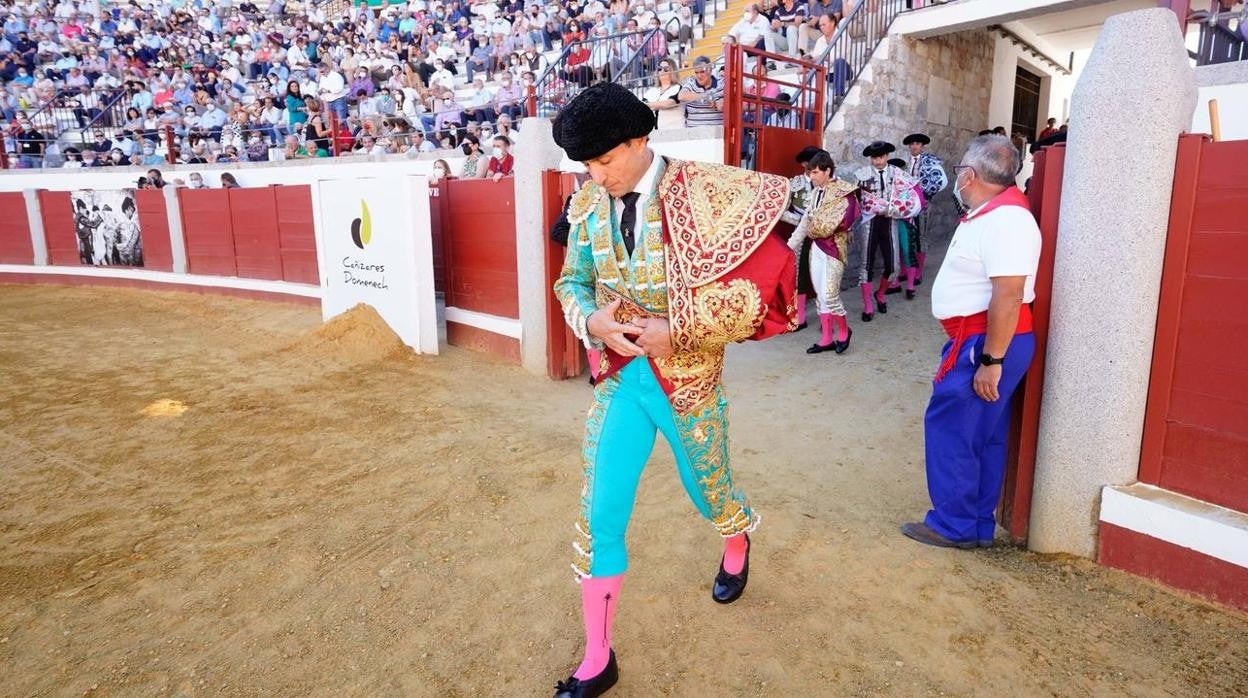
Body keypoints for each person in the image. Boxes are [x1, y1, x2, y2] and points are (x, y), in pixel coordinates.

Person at [549, 82, 797, 698]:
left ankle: (735, 537)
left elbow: (763, 295)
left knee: (709, 490)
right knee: (598, 511)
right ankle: (597, 659)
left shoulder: (709, 190)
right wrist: (592, 321)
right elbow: (570, 283)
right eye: (586, 164)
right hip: (620, 381)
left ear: (640, 140)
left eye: (604, 160)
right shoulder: (586, 207)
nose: (595, 175)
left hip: (688, 383)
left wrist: (679, 328)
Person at [900, 135, 1040, 549]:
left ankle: (954, 524)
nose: (958, 176)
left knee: (954, 431)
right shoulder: (994, 214)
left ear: (970, 175)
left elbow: (1009, 294)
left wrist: (991, 359)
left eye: (961, 168)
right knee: (982, 434)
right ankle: (973, 522)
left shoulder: (1007, 220)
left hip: (984, 342)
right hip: (979, 339)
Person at [786, 150, 860, 354]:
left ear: (827, 171)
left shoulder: (842, 192)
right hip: (817, 248)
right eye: (810, 172)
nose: (812, 176)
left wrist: (812, 228)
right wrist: (789, 247)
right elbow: (805, 223)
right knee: (820, 294)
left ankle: (844, 331)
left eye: (816, 172)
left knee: (830, 294)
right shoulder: (815, 193)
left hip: (834, 248)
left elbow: (833, 225)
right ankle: (827, 338)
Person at [855, 141, 922, 321]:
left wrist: (905, 208)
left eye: (881, 157)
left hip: (890, 220)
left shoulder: (898, 174)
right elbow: (855, 200)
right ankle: (868, 306)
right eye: (875, 158)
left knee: (893, 266)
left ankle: (881, 294)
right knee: (866, 264)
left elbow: (910, 192)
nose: (877, 161)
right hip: (870, 222)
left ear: (887, 156)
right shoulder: (861, 175)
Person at [781, 145, 823, 331]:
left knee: (824, 275)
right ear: (804, 163)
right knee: (800, 275)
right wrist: (799, 221)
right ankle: (800, 316)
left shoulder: (827, 182)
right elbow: (782, 210)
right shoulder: (794, 183)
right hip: (800, 233)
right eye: (809, 161)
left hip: (823, 233)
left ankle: (825, 317)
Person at [903, 132, 947, 289]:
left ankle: (918, 272)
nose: (914, 146)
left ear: (922, 146)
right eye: (912, 144)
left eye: (917, 144)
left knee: (921, 236)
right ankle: (908, 269)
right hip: (908, 205)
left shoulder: (929, 161)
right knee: (908, 236)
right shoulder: (906, 162)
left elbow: (940, 180)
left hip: (924, 204)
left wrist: (926, 194)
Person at [678, 55, 723, 128]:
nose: (699, 76)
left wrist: (720, 103)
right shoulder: (691, 83)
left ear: (710, 70)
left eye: (702, 72)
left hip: (717, 132)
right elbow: (681, 96)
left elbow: (723, 105)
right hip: (694, 133)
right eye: (696, 72)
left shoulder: (721, 83)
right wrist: (706, 97)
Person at [643, 58, 682, 131]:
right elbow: (641, 108)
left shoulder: (678, 88)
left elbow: (670, 103)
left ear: (673, 71)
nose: (662, 71)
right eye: (659, 69)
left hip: (673, 132)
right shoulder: (651, 91)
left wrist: (648, 105)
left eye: (666, 69)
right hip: (652, 134)